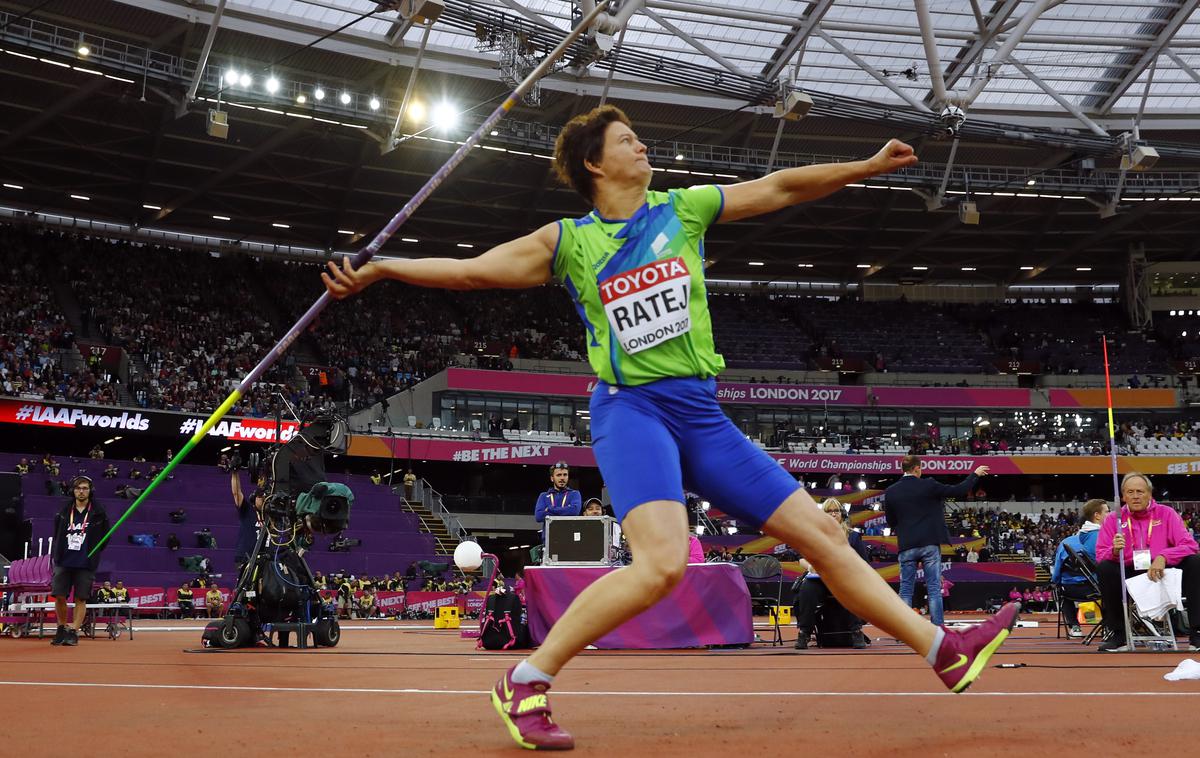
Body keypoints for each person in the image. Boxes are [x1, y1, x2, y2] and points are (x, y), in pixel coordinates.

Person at [322, 103, 1020, 751]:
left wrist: (863, 168)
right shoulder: (569, 242)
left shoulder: (681, 211)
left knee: (825, 533)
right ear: (596, 163)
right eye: (628, 139)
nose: (643, 144)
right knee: (660, 562)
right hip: (632, 411)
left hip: (700, 413)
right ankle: (527, 681)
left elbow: (776, 188)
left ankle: (941, 651)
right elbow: (472, 272)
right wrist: (383, 267)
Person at [1094, 473, 1200, 652]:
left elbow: (1190, 545)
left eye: (1140, 491)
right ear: (1123, 496)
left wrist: (1164, 556)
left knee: (1195, 561)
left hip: (1161, 570)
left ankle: (1197, 633)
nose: (1135, 496)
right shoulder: (1113, 519)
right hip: (1129, 569)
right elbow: (1100, 555)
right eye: (1130, 492)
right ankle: (1118, 635)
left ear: (1150, 494)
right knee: (1105, 568)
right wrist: (1114, 551)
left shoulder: (1166, 513)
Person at [884, 455, 988, 626]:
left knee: (905, 590)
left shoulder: (891, 491)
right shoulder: (928, 485)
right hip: (929, 544)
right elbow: (957, 490)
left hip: (907, 545)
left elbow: (890, 521)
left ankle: (903, 629)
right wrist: (974, 474)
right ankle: (937, 627)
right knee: (933, 589)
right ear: (917, 468)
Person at [793, 498, 872, 650]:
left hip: (845, 580)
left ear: (842, 514)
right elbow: (801, 558)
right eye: (828, 511)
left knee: (853, 589)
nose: (833, 514)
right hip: (820, 580)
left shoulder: (853, 536)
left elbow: (864, 563)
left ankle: (856, 632)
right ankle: (804, 633)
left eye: (836, 511)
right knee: (806, 589)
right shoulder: (813, 535)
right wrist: (811, 566)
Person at [50, 475, 111, 646]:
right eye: (78, 488)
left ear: (90, 490)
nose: (81, 491)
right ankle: (61, 628)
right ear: (73, 490)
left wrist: (93, 552)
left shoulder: (99, 513)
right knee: (59, 596)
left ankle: (73, 631)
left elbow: (105, 538)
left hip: (85, 562)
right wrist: (58, 553)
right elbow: (57, 534)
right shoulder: (63, 511)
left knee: (80, 598)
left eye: (84, 488)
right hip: (64, 560)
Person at [533, 462, 582, 563]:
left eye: (565, 475)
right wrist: (565, 510)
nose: (562, 478)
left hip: (570, 543)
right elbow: (538, 516)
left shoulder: (575, 494)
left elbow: (574, 511)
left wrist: (550, 509)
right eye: (559, 475)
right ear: (552, 478)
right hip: (549, 543)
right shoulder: (543, 496)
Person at [230, 468, 264, 577]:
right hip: (245, 557)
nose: (264, 499)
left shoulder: (271, 514)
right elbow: (236, 493)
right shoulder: (247, 509)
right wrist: (235, 472)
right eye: (260, 497)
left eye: (265, 497)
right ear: (254, 498)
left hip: (265, 558)